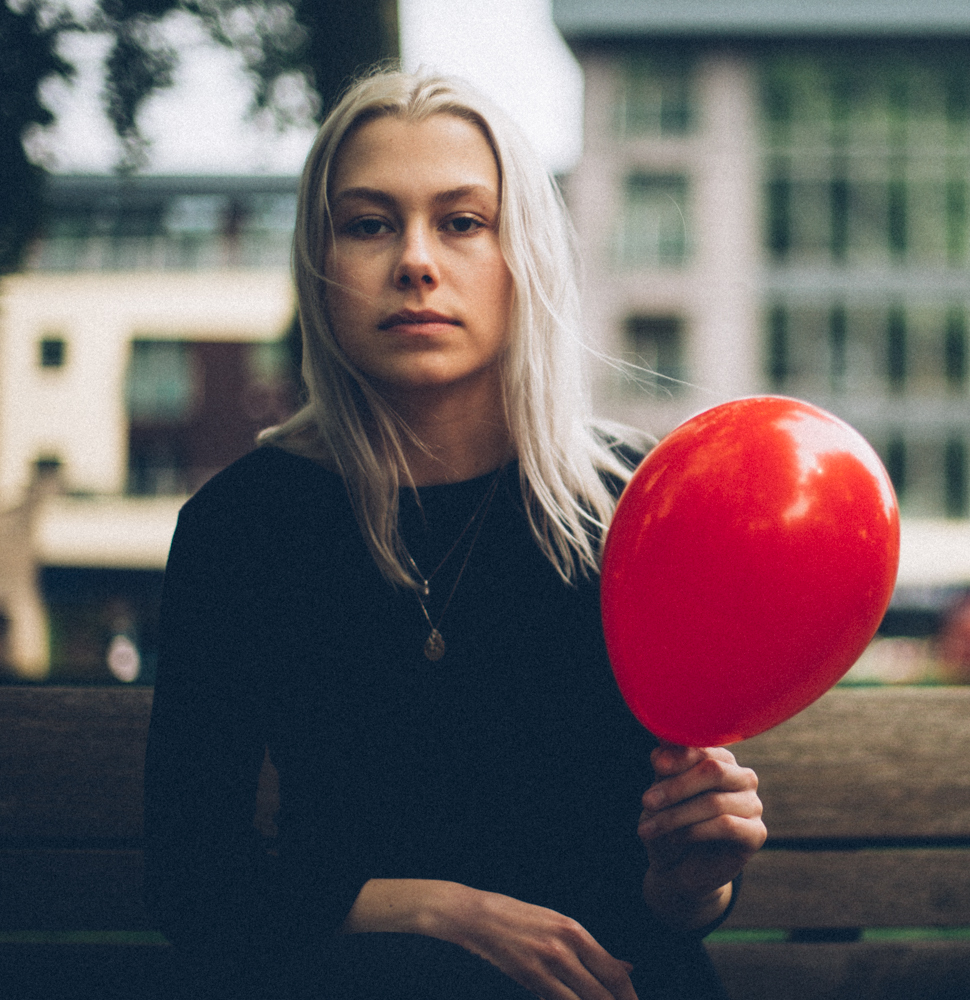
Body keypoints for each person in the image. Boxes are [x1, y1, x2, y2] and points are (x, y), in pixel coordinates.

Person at [143, 70, 766, 1000]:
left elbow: (670, 906)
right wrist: (440, 911)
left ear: (526, 256)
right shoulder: (242, 530)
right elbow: (193, 884)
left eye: (463, 221)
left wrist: (693, 879)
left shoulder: (641, 507)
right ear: (320, 262)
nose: (416, 261)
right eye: (370, 223)